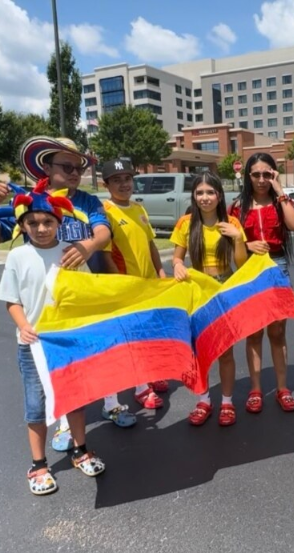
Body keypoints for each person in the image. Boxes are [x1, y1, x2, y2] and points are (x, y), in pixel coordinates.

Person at [0, 136, 116, 450]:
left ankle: (110, 405)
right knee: (47, 378)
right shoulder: (30, 204)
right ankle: (62, 426)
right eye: (66, 166)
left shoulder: (87, 201)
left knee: (87, 368)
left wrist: (88, 245)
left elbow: (103, 230)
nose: (74, 173)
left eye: (78, 168)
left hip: (80, 304)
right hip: (43, 311)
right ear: (46, 166)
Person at [0, 187, 106, 496]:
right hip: (32, 345)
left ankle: (80, 449)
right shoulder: (17, 256)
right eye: (34, 223)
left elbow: (84, 294)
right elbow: (11, 300)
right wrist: (24, 326)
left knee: (76, 398)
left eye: (47, 222)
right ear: (23, 226)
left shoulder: (70, 252)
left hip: (67, 341)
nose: (41, 229)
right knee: (36, 405)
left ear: (58, 222)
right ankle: (38, 464)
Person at [171, 173, 248, 427]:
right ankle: (203, 400)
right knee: (198, 352)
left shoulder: (233, 222)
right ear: (194, 196)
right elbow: (177, 257)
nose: (205, 198)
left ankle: (227, 401)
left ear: (219, 195)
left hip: (225, 289)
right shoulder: (185, 223)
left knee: (226, 352)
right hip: (196, 291)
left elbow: (242, 264)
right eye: (200, 193)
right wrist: (178, 265)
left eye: (210, 192)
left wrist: (237, 238)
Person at [230, 153, 294, 416]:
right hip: (250, 269)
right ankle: (256, 389)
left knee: (277, 332)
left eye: (267, 174)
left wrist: (280, 190)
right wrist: (246, 244)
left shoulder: (279, 201)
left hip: (277, 266)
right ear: (248, 176)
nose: (261, 179)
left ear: (274, 174)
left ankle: (283, 389)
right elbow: (228, 239)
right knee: (254, 333)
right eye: (256, 174)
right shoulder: (238, 206)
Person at [98, 157, 169, 422]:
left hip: (148, 285)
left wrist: (160, 272)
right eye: (117, 180)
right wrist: (120, 285)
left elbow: (150, 245)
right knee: (128, 340)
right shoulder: (106, 211)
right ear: (107, 185)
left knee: (147, 335)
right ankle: (141, 389)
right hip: (126, 287)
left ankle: (148, 376)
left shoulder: (139, 208)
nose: (124, 184)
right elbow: (105, 254)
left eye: (127, 179)